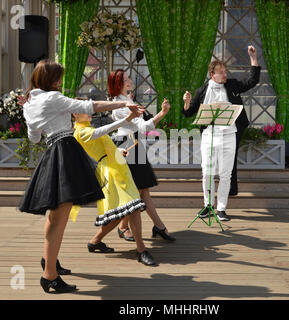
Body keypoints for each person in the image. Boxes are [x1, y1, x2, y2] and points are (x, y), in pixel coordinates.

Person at [19, 59, 138, 294]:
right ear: (51, 80)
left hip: (52, 152)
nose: (61, 82)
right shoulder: (52, 97)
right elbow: (89, 107)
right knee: (59, 219)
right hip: (65, 151)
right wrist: (123, 103)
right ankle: (49, 275)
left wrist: (25, 108)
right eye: (58, 78)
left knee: (54, 217)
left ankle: (49, 262)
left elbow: (33, 138)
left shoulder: (31, 102)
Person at [182, 46, 261, 221]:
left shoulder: (231, 85)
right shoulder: (202, 90)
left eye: (225, 71)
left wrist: (253, 58)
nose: (225, 74)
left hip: (229, 134)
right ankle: (207, 206)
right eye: (222, 72)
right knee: (207, 172)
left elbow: (251, 81)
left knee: (226, 173)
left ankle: (222, 208)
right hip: (209, 135)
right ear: (213, 75)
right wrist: (187, 103)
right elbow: (189, 113)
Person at [72, 108, 157, 266]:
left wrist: (118, 150)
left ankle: (95, 241)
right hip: (110, 172)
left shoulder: (87, 129)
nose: (90, 112)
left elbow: (103, 149)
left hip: (115, 168)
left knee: (120, 213)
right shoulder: (80, 132)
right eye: (84, 110)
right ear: (75, 115)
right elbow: (105, 131)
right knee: (132, 207)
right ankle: (141, 250)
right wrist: (128, 118)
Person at [110, 69, 176, 242]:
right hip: (127, 146)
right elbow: (144, 128)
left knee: (141, 190)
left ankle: (151, 226)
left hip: (133, 145)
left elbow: (143, 126)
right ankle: (148, 227)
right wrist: (162, 113)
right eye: (125, 79)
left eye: (128, 78)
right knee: (139, 190)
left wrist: (160, 113)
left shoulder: (127, 101)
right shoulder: (120, 104)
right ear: (118, 84)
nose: (129, 81)